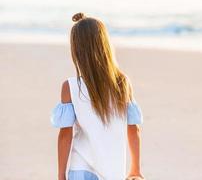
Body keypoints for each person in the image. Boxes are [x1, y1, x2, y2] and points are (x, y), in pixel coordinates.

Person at [50, 13, 145, 180]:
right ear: (105, 45)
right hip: (112, 170)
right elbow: (133, 128)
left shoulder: (71, 87)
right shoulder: (122, 83)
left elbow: (65, 134)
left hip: (79, 167)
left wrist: (60, 175)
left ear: (76, 50)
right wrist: (135, 168)